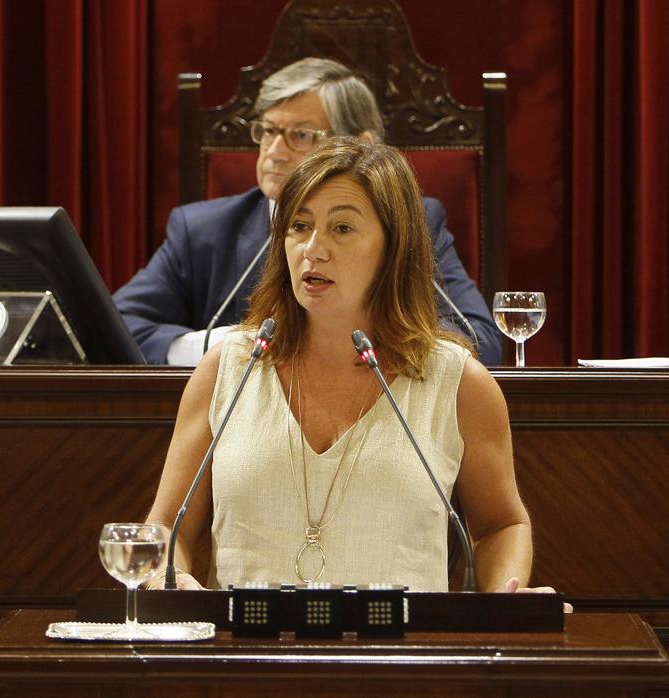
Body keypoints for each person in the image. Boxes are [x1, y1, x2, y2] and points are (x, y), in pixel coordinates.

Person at [145, 138, 553, 596]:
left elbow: (500, 524)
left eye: (342, 228)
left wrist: (506, 597)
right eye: (299, 226)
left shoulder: (458, 383)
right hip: (251, 657)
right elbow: (166, 528)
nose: (312, 249)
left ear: (394, 248)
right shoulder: (229, 367)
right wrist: (171, 578)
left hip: (403, 658)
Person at [114, 57, 502, 366]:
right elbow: (117, 328)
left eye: (300, 135)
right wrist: (228, 346)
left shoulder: (409, 221)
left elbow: (479, 341)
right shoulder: (202, 229)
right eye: (267, 131)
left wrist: (343, 342)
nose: (275, 151)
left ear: (359, 146)